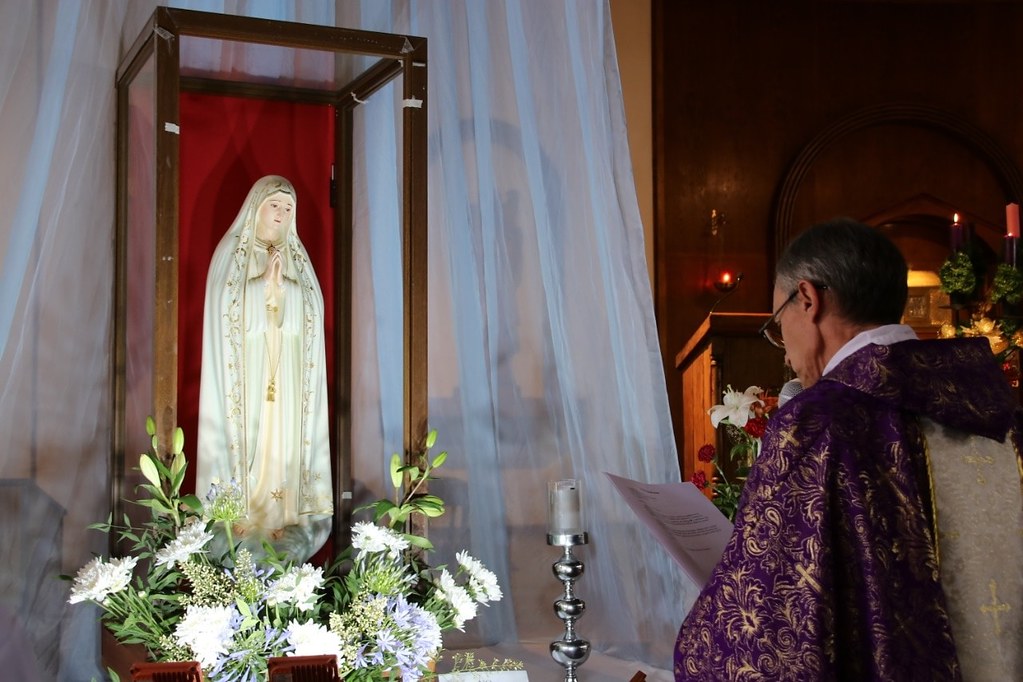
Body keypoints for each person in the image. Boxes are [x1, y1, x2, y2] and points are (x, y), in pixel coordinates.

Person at [675, 218, 1022, 680]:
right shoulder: (1003, 416)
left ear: (807, 299)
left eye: (778, 325)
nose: (784, 351)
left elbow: (764, 639)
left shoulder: (819, 424)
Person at [197, 175, 332, 563]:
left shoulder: (296, 258)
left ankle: (281, 515)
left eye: (289, 208)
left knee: (281, 440)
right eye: (275, 205)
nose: (282, 213)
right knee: (251, 439)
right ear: (255, 208)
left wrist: (284, 289)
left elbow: (312, 313)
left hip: (286, 374)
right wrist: (263, 286)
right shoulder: (232, 252)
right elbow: (225, 310)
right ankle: (241, 514)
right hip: (248, 375)